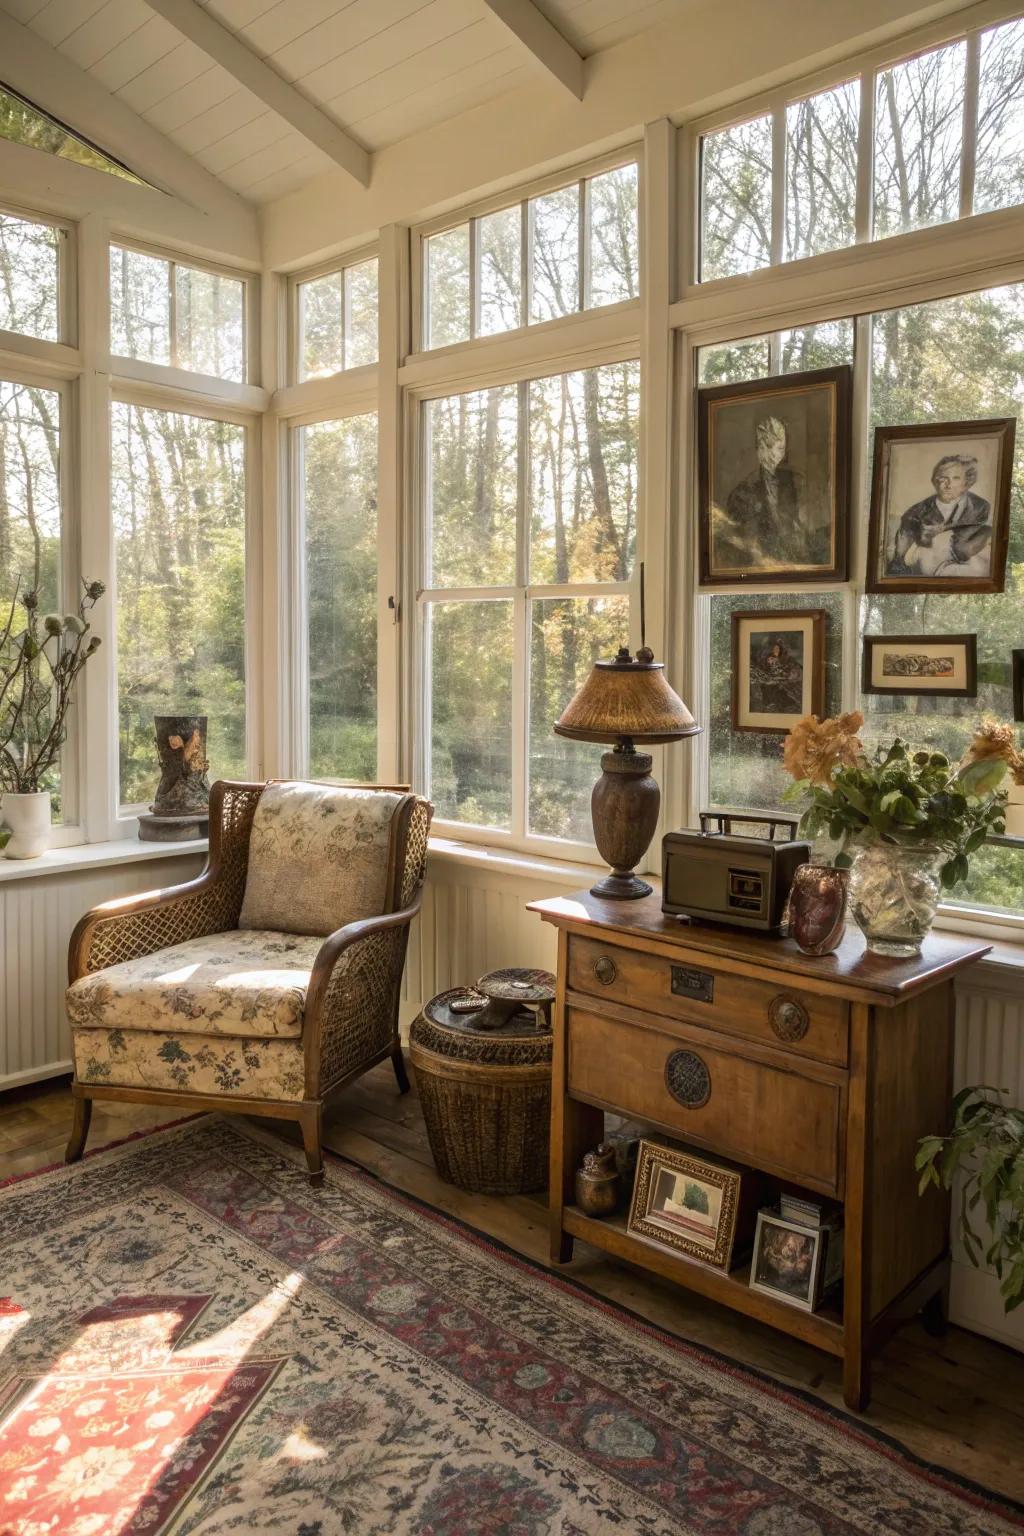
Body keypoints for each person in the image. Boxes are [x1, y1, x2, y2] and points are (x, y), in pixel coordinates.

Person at [715, 416, 825, 570]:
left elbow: (806, 528)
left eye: (781, 447)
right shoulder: (742, 492)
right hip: (762, 563)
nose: (778, 453)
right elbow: (739, 542)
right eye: (765, 446)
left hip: (795, 561)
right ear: (760, 448)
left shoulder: (796, 481)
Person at [888, 453, 992, 578]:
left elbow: (975, 539)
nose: (948, 484)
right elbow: (901, 550)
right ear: (935, 481)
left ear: (967, 482)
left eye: (956, 478)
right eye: (943, 478)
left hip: (965, 565)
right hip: (931, 564)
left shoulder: (980, 506)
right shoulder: (916, 512)